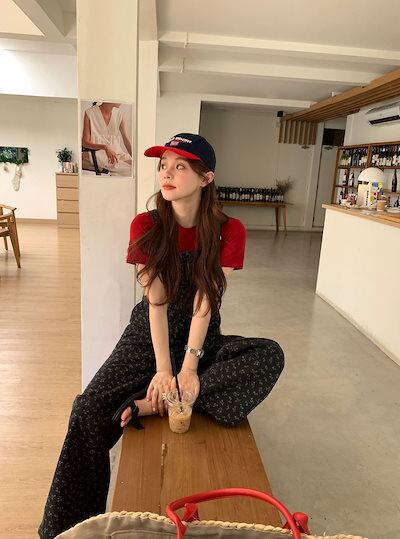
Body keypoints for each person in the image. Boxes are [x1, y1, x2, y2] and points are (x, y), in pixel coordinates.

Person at [38, 133, 284, 538]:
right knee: (86, 411)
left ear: (206, 178)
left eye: (179, 166)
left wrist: (189, 366)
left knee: (268, 355)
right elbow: (157, 303)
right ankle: (68, 529)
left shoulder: (230, 230)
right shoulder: (146, 225)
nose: (166, 174)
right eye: (163, 165)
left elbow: (205, 302)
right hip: (147, 334)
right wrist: (164, 369)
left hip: (200, 335)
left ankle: (156, 404)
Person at [81, 102, 132, 176]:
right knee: (128, 169)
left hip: (117, 153)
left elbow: (126, 139)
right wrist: (105, 147)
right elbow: (85, 142)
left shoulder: (118, 114)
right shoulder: (90, 113)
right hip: (97, 154)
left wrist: (136, 157)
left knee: (136, 165)